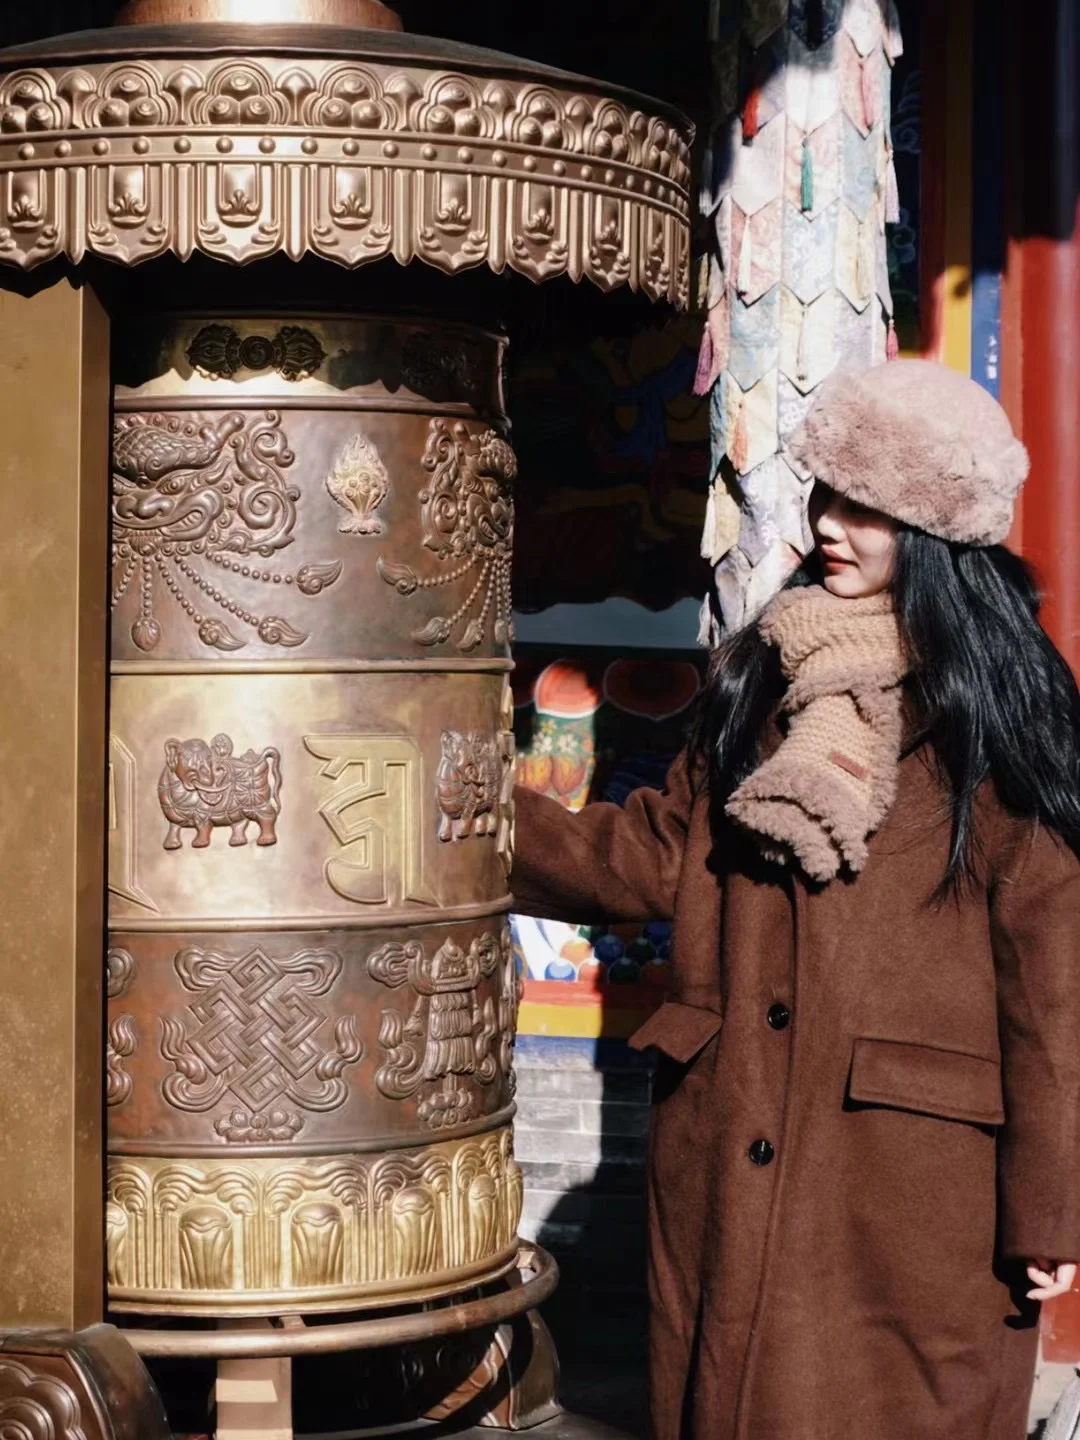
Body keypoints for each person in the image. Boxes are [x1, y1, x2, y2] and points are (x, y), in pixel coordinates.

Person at [511, 359, 1080, 1440]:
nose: (829, 528)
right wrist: (467, 816)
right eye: (827, 497)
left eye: (867, 509)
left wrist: (1051, 1205)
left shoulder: (996, 711)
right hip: (730, 1135)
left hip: (909, 1181)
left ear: (936, 532)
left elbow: (1055, 982)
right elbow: (656, 855)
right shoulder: (760, 677)